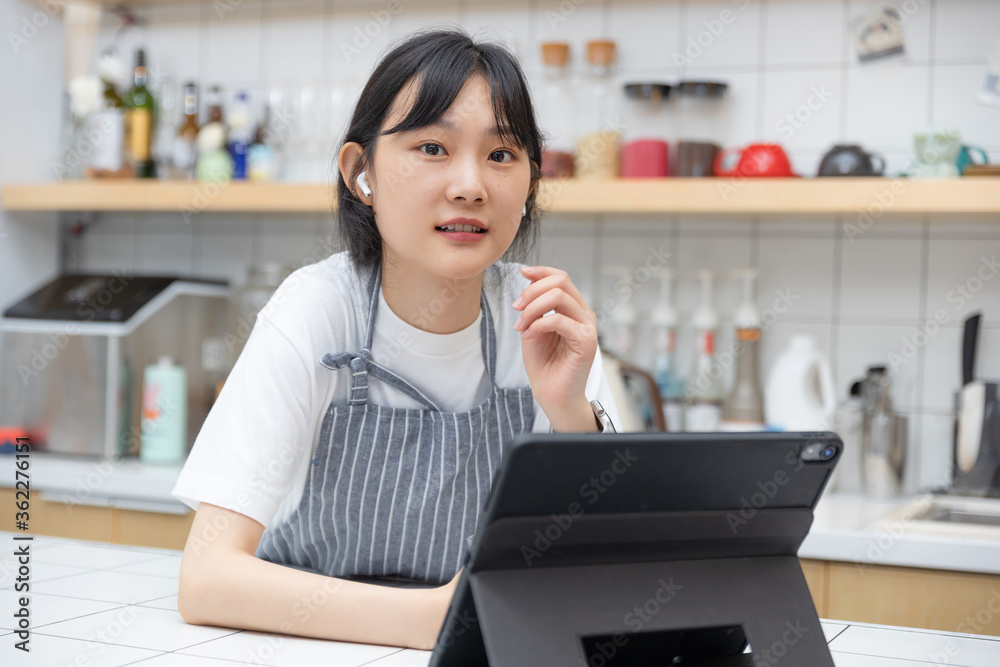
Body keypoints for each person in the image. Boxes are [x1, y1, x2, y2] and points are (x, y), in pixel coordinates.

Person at [173, 28, 623, 651]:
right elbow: (207, 580)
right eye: (433, 147)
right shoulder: (317, 308)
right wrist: (437, 620)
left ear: (530, 184)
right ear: (362, 174)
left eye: (501, 155)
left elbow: (615, 573)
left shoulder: (542, 317)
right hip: (302, 645)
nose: (470, 185)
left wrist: (572, 415)